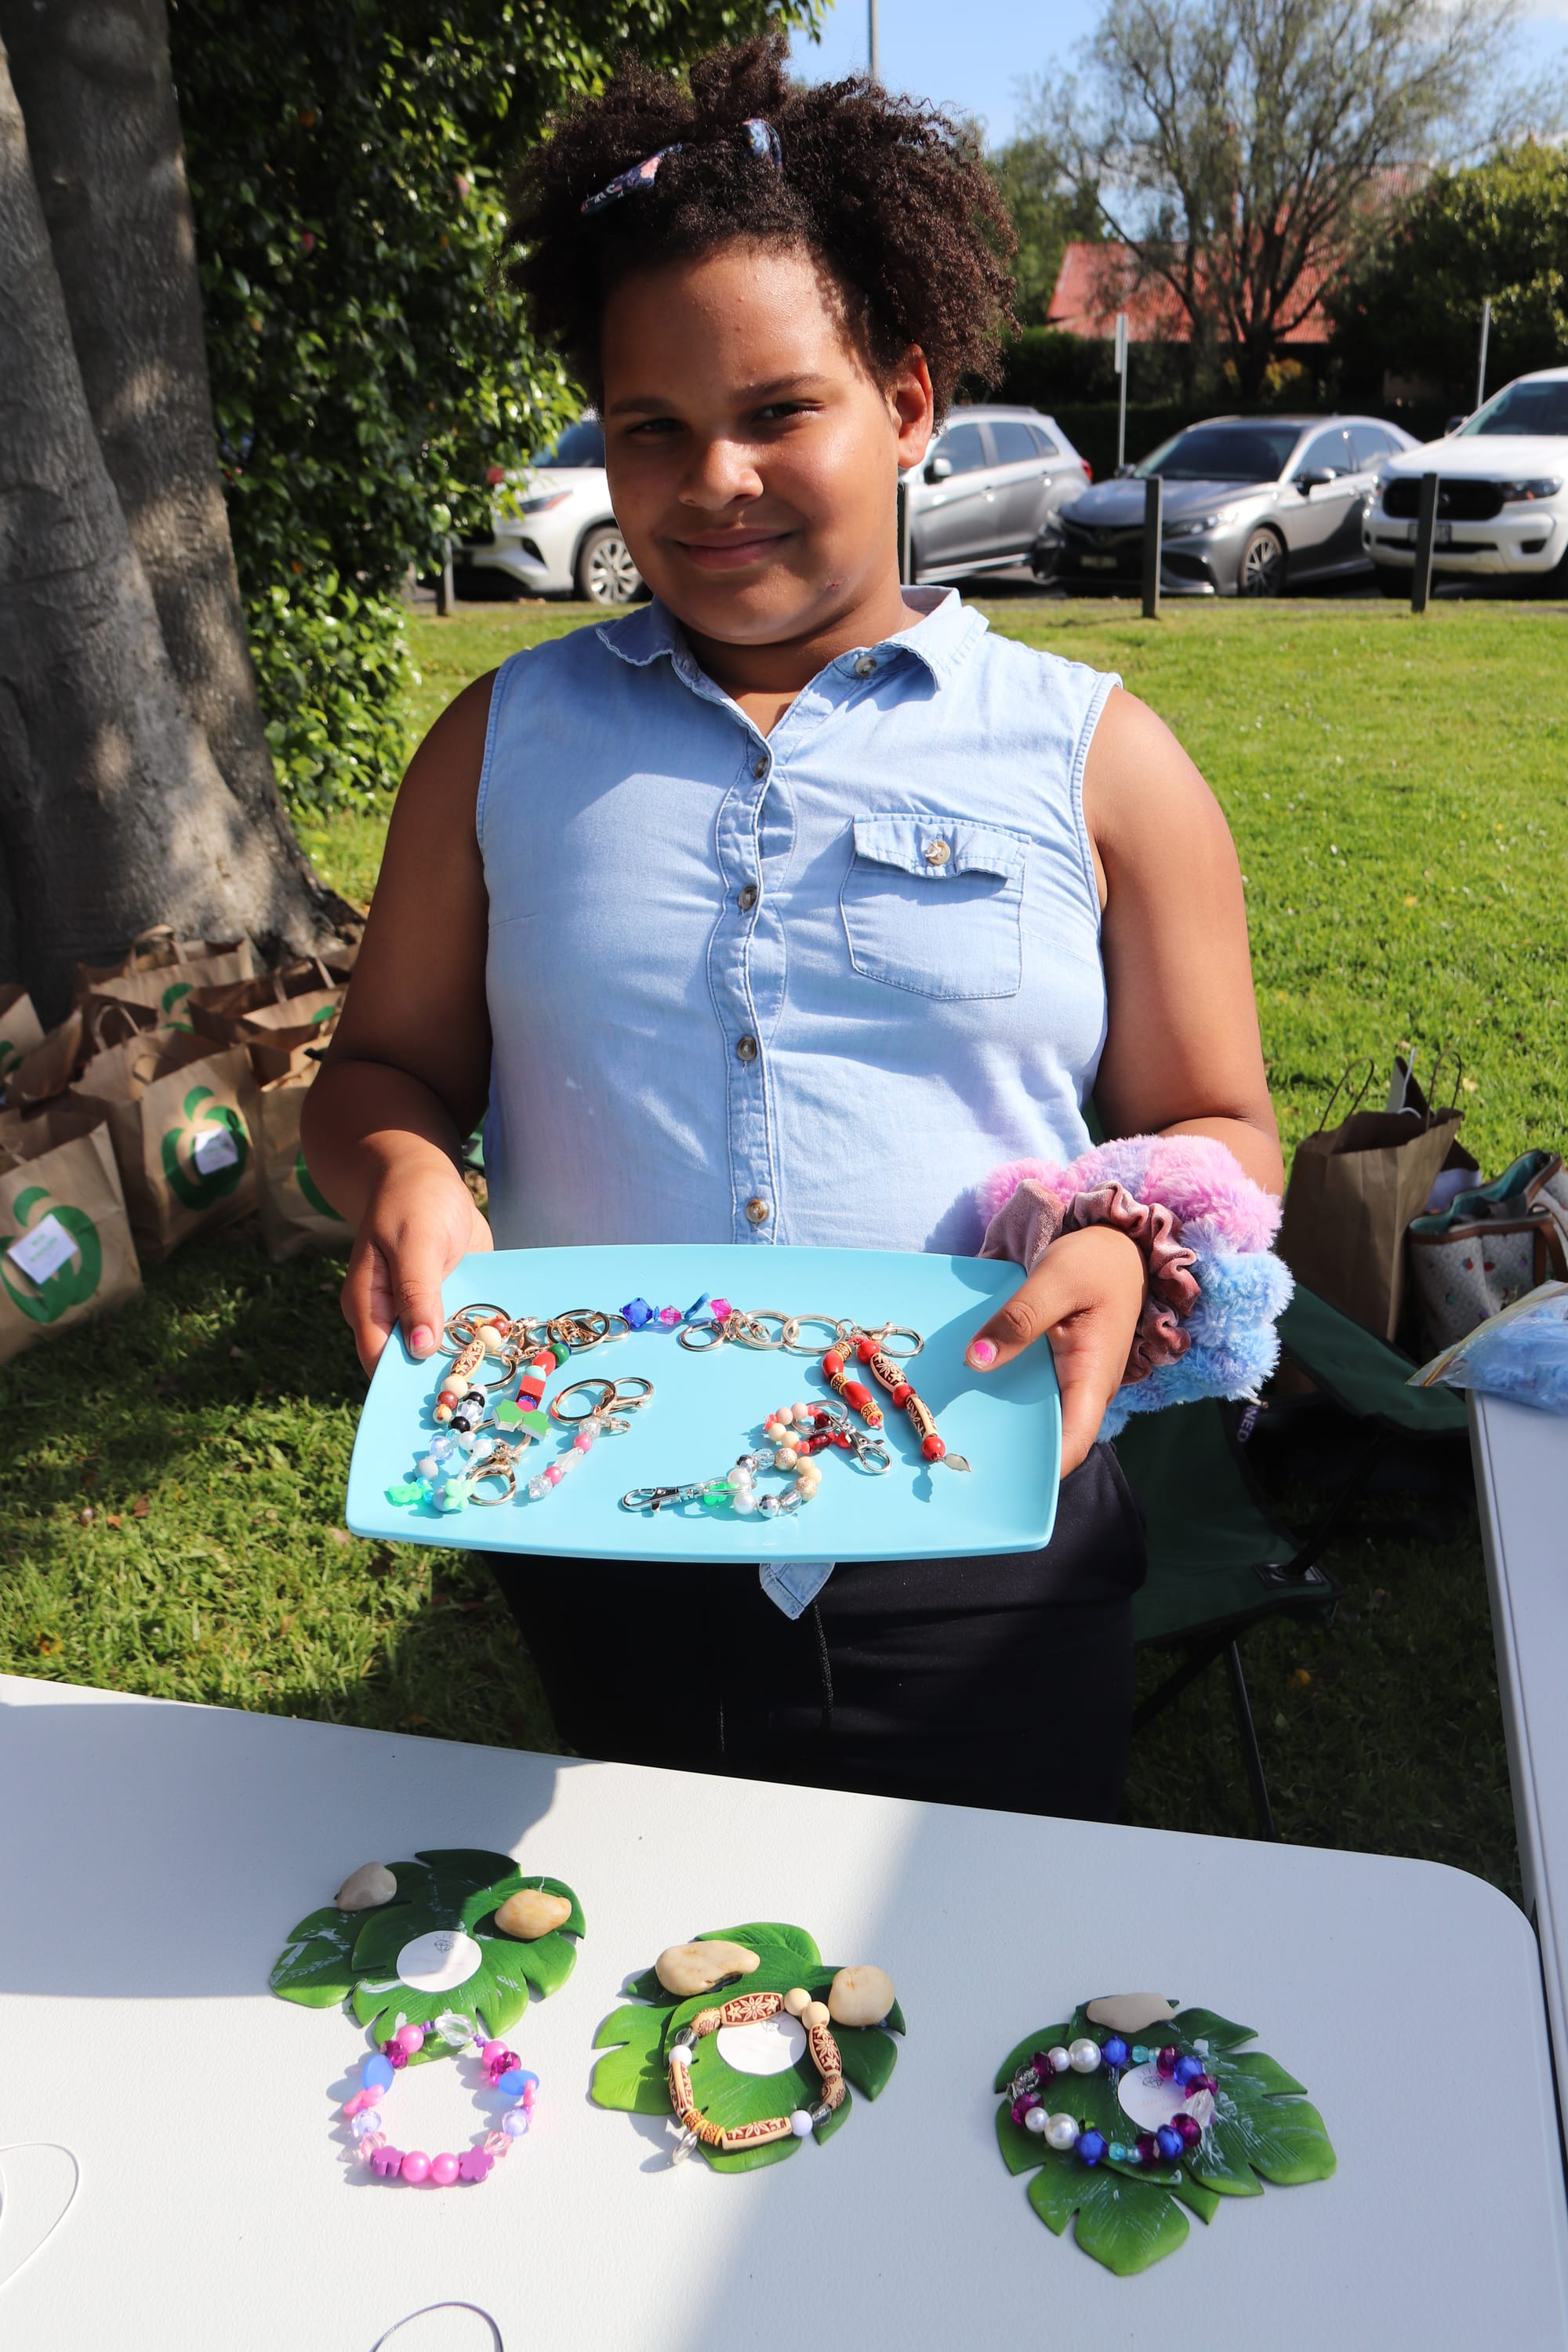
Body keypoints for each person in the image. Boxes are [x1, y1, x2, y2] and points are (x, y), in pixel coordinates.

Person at [302, 38, 1284, 1821]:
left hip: (984, 1530)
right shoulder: (495, 750)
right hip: (603, 1528)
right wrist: (403, 1173)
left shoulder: (1099, 761)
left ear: (906, 401)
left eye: (778, 412)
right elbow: (381, 1064)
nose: (711, 481)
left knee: (979, 1985)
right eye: (649, 429)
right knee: (648, 1995)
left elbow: (1219, 1124)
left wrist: (1133, 1248)